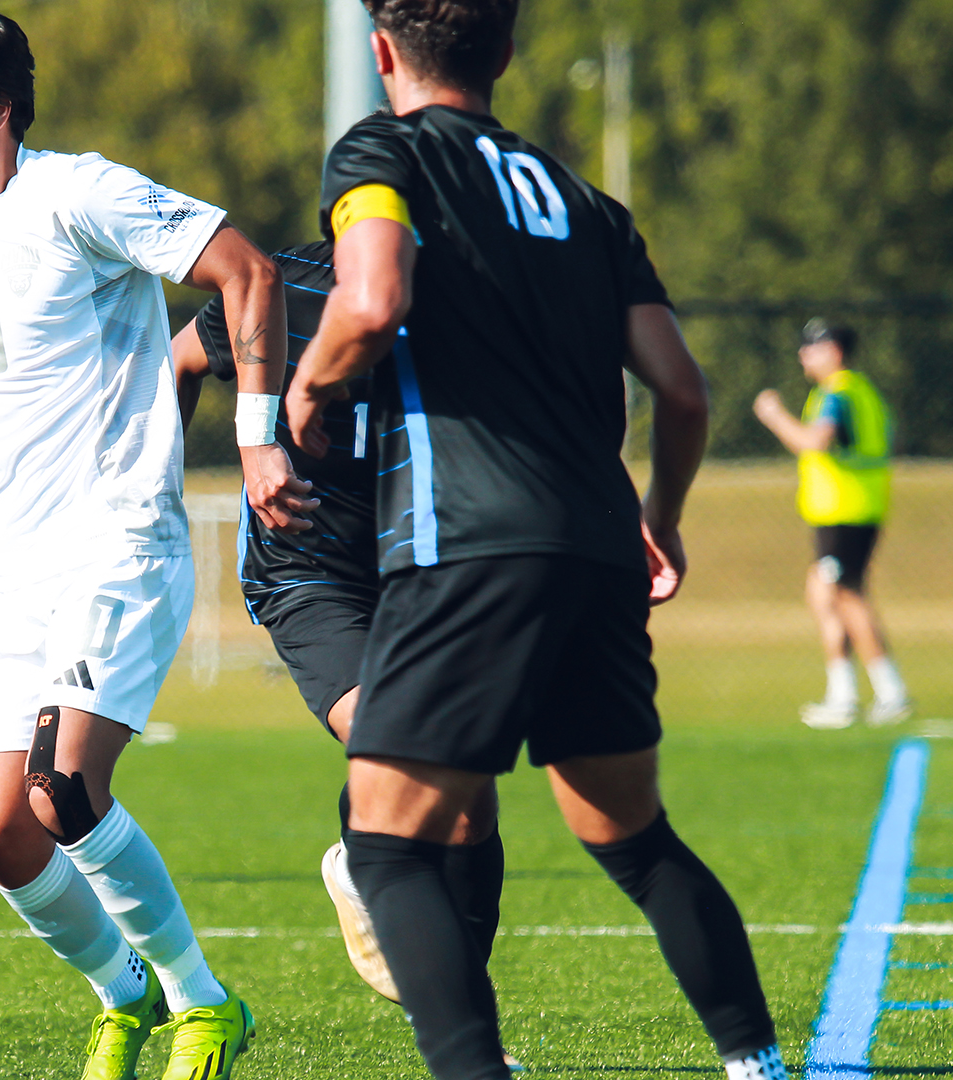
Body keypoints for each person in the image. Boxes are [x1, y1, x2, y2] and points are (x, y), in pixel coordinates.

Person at [285, 1, 786, 1078]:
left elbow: (370, 304)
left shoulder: (384, 152)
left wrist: (306, 386)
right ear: (504, 54)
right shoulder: (587, 202)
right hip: (600, 546)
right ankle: (758, 1065)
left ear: (382, 53)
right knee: (636, 840)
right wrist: (662, 518)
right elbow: (684, 391)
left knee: (386, 847)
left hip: (468, 545)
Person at [0, 6, 311, 1078]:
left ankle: (203, 1006)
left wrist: (259, 440)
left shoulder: (79, 195)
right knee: (4, 836)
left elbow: (249, 273)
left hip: (116, 542)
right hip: (7, 570)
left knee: (66, 788)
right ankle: (123, 997)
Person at [171, 241, 504, 1009]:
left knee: (472, 794)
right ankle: (366, 858)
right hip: (309, 574)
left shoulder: (477, 296)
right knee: (404, 741)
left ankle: (463, 1020)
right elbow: (181, 361)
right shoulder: (278, 287)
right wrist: (166, 492)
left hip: (427, 576)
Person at [752, 318, 910, 729]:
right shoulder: (864, 391)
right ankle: (843, 694)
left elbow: (813, 441)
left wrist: (773, 416)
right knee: (823, 595)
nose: (803, 355)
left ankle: (889, 692)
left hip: (844, 510)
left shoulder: (835, 394)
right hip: (855, 508)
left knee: (845, 595)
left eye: (812, 347)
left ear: (834, 351)